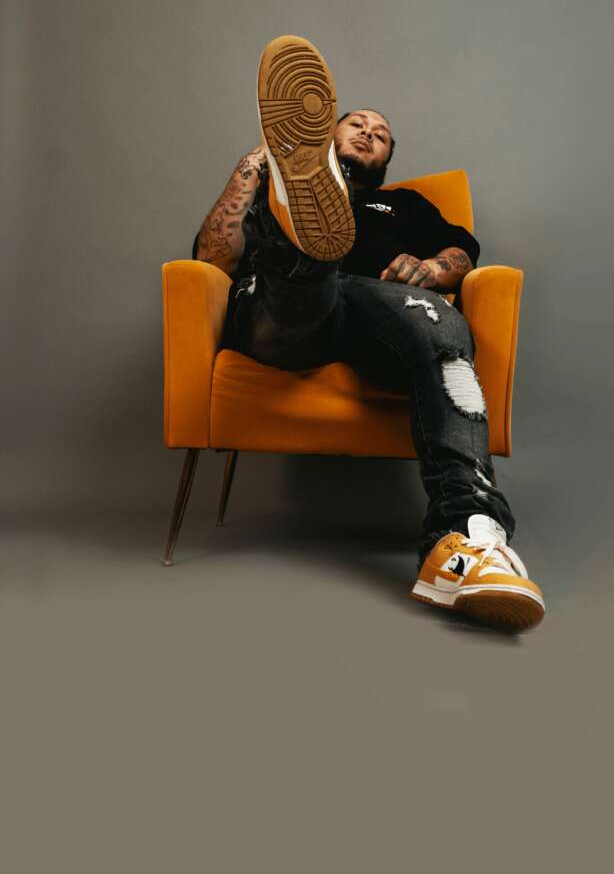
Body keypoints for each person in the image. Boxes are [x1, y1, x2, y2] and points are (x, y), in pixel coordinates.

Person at [193, 35, 545, 631]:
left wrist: (432, 269)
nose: (367, 133)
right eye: (355, 124)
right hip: (285, 313)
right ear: (325, 133)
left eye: (380, 135)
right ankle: (300, 231)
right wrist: (254, 166)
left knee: (438, 321)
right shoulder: (257, 181)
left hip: (377, 308)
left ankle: (468, 538)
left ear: (386, 162)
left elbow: (462, 250)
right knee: (302, 276)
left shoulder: (405, 205)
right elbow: (211, 258)